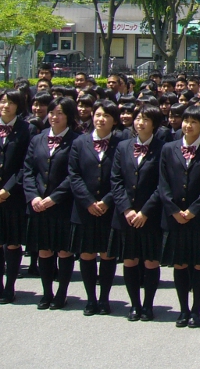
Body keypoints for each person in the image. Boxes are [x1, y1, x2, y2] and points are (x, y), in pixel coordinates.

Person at [158, 103, 200, 328]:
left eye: (194, 122)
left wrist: (194, 210)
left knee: (199, 264)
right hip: (174, 217)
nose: (188, 125)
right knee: (180, 264)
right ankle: (183, 309)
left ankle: (196, 310)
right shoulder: (168, 148)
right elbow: (163, 183)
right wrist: (174, 210)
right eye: (186, 121)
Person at [24, 96, 80, 309]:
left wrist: (54, 198)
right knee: (44, 250)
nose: (54, 117)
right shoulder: (37, 138)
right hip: (38, 204)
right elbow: (28, 171)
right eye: (52, 113)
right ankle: (47, 293)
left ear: (68, 116)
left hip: (63, 205)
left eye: (60, 113)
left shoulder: (76, 141)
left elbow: (73, 174)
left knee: (64, 251)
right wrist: (34, 197)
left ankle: (61, 294)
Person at [109, 105, 164, 321]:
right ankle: (135, 305)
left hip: (150, 215)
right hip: (125, 215)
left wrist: (145, 211)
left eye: (146, 119)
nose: (140, 122)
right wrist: (126, 209)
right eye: (138, 118)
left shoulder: (163, 148)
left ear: (155, 124)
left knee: (150, 261)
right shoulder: (123, 147)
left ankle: (148, 305)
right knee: (129, 260)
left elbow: (163, 184)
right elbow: (115, 179)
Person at [68, 100, 122, 315]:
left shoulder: (122, 143)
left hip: (110, 208)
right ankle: (91, 299)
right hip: (84, 208)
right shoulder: (80, 142)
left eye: (106, 116)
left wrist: (107, 201)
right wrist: (88, 201)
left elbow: (121, 177)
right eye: (98, 114)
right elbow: (74, 174)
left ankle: (104, 299)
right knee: (87, 254)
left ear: (114, 120)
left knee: (107, 254)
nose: (101, 119)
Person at [0, 89, 32, 303]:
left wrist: (8, 188)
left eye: (11, 102)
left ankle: (10, 286)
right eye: (2, 101)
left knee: (12, 243)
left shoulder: (26, 129)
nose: (6, 106)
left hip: (13, 196)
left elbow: (26, 165)